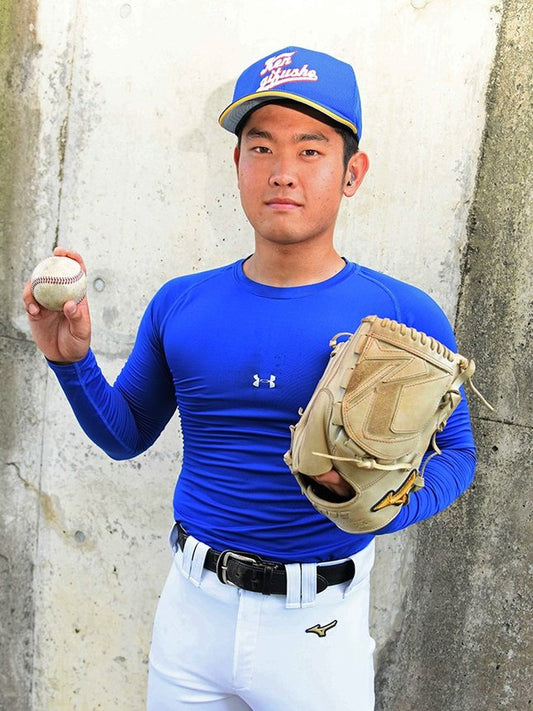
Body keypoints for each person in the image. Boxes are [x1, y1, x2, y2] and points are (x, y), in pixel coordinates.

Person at [23, 46, 476, 711]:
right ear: (235, 165)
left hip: (317, 623)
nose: (282, 172)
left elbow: (458, 454)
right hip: (190, 611)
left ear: (353, 173)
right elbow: (125, 437)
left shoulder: (402, 313)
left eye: (310, 150)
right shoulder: (182, 301)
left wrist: (380, 506)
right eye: (260, 148)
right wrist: (71, 361)